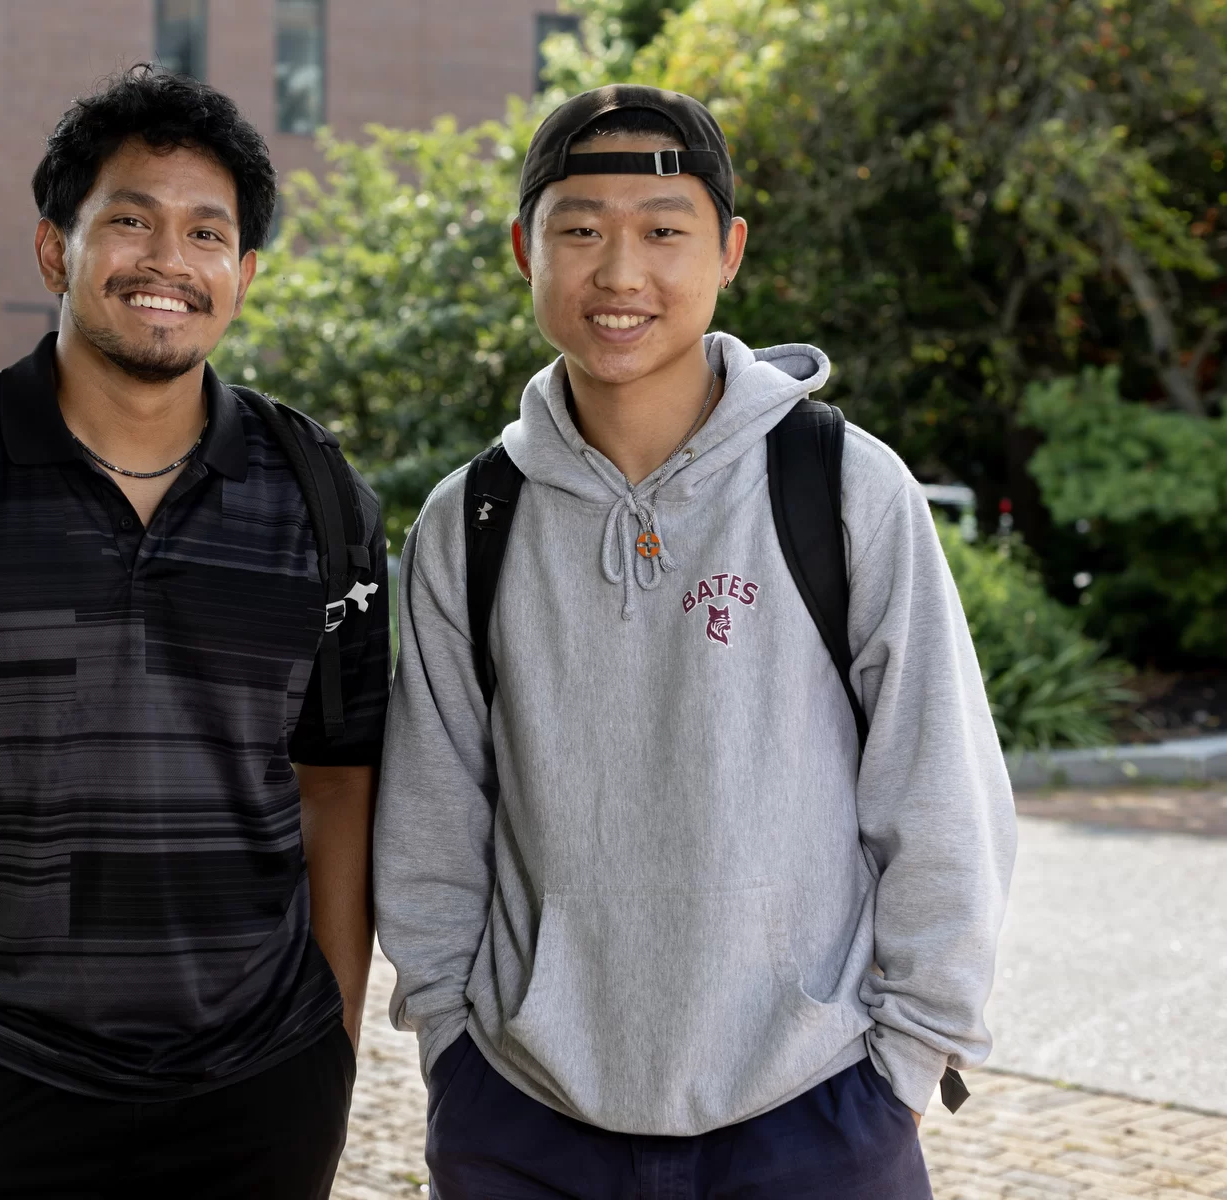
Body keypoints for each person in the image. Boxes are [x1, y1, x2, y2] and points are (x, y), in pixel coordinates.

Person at [0, 67, 389, 1199]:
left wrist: (329, 1036)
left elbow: (338, 781)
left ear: (244, 272)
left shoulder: (316, 495)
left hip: (256, 1083)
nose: (167, 263)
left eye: (206, 233)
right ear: (57, 249)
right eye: (128, 220)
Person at [373, 84, 1016, 1198]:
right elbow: (434, 816)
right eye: (580, 230)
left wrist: (904, 1066)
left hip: (812, 1117)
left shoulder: (843, 486)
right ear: (526, 248)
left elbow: (939, 792)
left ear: (730, 251)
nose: (621, 273)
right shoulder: (470, 522)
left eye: (663, 232)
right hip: (523, 1122)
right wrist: (452, 1047)